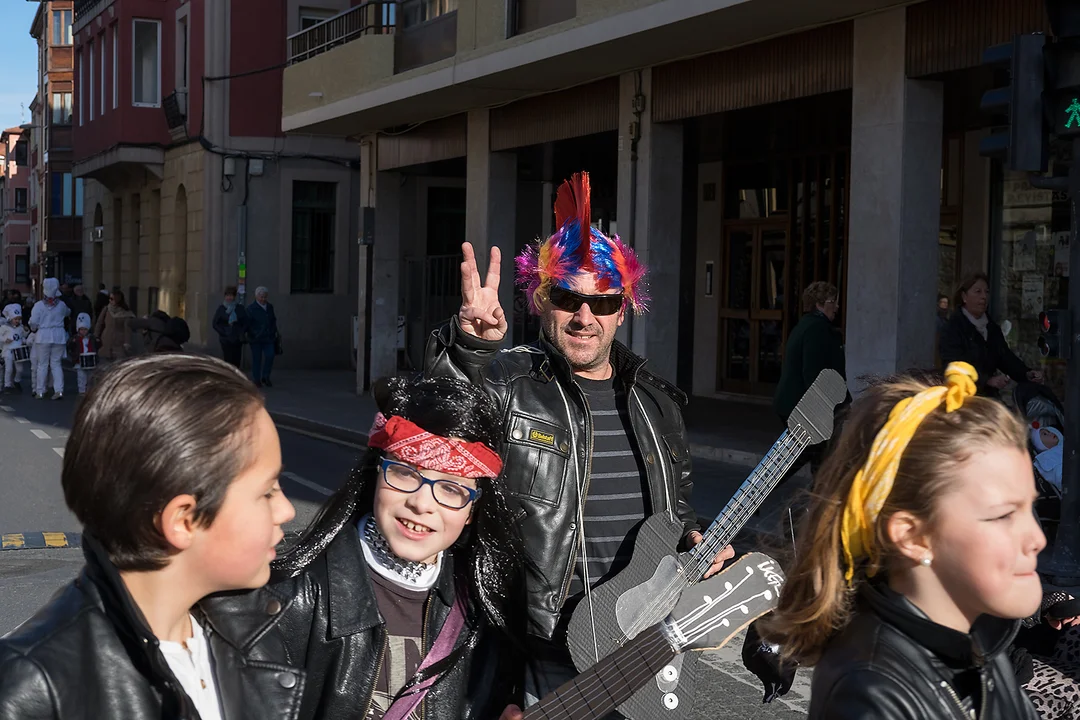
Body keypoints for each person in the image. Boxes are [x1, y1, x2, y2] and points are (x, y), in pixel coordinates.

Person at [424, 171, 732, 706]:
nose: (585, 317)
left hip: (644, 646)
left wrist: (697, 542)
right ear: (541, 301)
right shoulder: (507, 384)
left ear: (623, 309)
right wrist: (468, 351)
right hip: (542, 653)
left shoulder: (656, 403)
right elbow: (435, 430)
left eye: (604, 302)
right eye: (568, 297)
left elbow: (678, 512)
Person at [202, 375, 526, 720]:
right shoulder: (288, 597)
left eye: (450, 489)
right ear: (376, 475)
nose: (421, 503)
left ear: (473, 509)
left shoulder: (486, 611)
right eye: (404, 472)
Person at [0, 354, 298, 719]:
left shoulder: (252, 629)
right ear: (184, 521)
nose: (287, 511)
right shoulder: (33, 692)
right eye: (268, 492)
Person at [762, 362, 1044, 719]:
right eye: (1003, 515)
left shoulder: (977, 644)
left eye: (1030, 508)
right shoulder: (870, 697)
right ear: (913, 536)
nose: (1037, 539)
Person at [772, 281, 849, 478]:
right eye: (832, 302)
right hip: (803, 406)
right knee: (809, 453)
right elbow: (813, 372)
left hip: (795, 403)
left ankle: (818, 494)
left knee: (819, 456)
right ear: (819, 304)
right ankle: (758, 493)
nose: (837, 307)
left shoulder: (807, 325)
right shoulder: (817, 329)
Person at [940, 272, 1042, 396]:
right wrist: (986, 380)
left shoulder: (991, 327)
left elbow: (1005, 357)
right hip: (963, 396)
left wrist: (1026, 373)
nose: (984, 297)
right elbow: (953, 366)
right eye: (978, 292)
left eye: (986, 292)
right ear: (964, 296)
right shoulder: (953, 327)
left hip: (989, 397)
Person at [30, 277, 70, 401]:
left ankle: (40, 391)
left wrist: (34, 328)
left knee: (42, 365)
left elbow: (33, 322)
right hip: (59, 335)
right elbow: (68, 312)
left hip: (43, 336)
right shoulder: (62, 305)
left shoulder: (38, 306)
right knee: (56, 364)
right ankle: (59, 390)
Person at [246, 286, 277, 388]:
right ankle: (257, 379)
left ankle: (265, 376)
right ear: (256, 297)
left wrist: (274, 331)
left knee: (270, 355)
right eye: (261, 297)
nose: (263, 299)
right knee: (257, 359)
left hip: (268, 337)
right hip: (256, 338)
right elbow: (248, 324)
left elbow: (273, 320)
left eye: (265, 297)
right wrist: (253, 334)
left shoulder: (269, 307)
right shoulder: (251, 308)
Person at [212, 286, 248, 369]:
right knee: (228, 360)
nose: (229, 298)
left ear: (234, 296)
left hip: (237, 339)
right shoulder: (221, 309)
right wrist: (223, 332)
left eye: (231, 295)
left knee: (236, 360)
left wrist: (241, 332)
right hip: (226, 339)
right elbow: (215, 323)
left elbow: (246, 322)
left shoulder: (239, 308)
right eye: (227, 295)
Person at [94, 289, 134, 362]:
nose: (110, 300)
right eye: (109, 298)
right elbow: (99, 322)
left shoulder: (126, 313)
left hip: (119, 342)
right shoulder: (107, 309)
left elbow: (127, 328)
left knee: (118, 362)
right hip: (106, 339)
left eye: (112, 299)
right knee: (105, 361)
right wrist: (96, 335)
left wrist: (127, 342)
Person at [0, 303, 29, 394]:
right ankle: (7, 385)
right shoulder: (4, 327)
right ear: (10, 318)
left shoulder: (20, 327)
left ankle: (17, 381)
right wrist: (5, 339)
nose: (17, 321)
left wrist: (26, 331)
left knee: (20, 369)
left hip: (18, 350)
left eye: (19, 319)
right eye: (15, 319)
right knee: (8, 369)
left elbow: (23, 336)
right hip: (8, 350)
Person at [68, 312, 99, 395]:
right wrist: (72, 343)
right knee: (81, 377)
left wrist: (97, 341)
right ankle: (82, 391)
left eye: (85, 329)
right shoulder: (75, 338)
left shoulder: (92, 338)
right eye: (81, 329)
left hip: (90, 360)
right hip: (79, 361)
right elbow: (70, 346)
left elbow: (98, 345)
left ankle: (90, 391)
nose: (83, 331)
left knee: (90, 377)